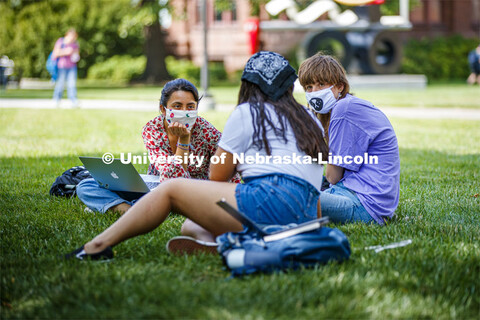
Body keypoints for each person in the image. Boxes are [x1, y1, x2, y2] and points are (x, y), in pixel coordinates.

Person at [65, 51, 328, 260]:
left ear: (249, 85)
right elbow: (314, 183)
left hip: (267, 202)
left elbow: (217, 176)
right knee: (190, 227)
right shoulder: (309, 120)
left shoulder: (248, 113)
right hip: (304, 212)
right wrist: (314, 225)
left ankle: (98, 245)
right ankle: (239, 246)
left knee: (172, 190)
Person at [76, 78, 241, 243]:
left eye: (190, 106)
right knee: (86, 185)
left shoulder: (207, 132)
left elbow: (177, 180)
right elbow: (167, 175)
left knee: (163, 193)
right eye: (177, 106)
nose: (184, 111)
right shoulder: (152, 129)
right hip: (157, 187)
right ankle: (128, 210)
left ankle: (125, 208)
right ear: (163, 109)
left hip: (196, 191)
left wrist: (184, 139)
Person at [298, 53, 400, 225]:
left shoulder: (343, 110)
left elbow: (332, 177)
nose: (314, 92)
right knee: (297, 186)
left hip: (364, 204)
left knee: (289, 196)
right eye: (309, 87)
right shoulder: (345, 107)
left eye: (321, 84)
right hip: (359, 196)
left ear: (339, 86)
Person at [52, 28, 80, 108]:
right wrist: (66, 51)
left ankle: (73, 101)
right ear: (67, 35)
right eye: (72, 36)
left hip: (72, 67)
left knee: (72, 84)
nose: (73, 38)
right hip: (62, 66)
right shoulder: (61, 41)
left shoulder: (75, 44)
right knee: (60, 84)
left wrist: (75, 55)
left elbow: (77, 56)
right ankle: (56, 100)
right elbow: (55, 53)